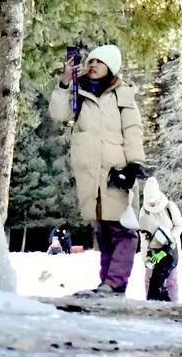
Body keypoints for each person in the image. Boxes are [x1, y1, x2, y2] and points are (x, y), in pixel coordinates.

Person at [49, 43, 146, 296]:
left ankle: (115, 282)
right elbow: (58, 114)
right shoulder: (79, 91)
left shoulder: (122, 94)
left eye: (99, 62)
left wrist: (134, 165)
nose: (92, 65)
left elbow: (133, 130)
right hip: (90, 174)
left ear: (110, 67)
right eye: (90, 61)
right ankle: (108, 284)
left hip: (117, 170)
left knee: (123, 229)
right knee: (103, 230)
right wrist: (64, 83)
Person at [137, 177, 182, 301]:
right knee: (149, 280)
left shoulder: (169, 207)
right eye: (150, 203)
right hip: (153, 251)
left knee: (171, 281)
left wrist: (169, 239)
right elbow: (143, 236)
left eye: (154, 202)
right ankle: (151, 306)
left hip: (169, 251)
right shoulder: (144, 212)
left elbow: (179, 225)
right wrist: (145, 258)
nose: (152, 204)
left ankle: (174, 308)